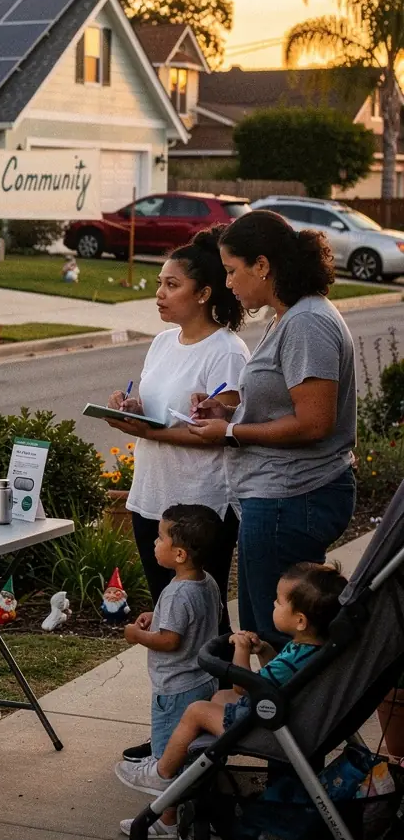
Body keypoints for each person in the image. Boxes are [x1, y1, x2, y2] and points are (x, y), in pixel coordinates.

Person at [190, 210, 357, 635]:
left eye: (232, 270)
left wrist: (230, 432)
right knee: (259, 632)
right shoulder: (288, 316)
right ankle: (264, 702)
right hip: (278, 496)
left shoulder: (308, 323)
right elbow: (284, 404)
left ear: (262, 265)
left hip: (292, 497)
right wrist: (227, 412)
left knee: (273, 634)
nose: (227, 283)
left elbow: (314, 422)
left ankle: (279, 705)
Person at [106, 228, 249, 631]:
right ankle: (175, 693)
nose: (160, 294)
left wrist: (149, 432)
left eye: (172, 285)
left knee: (203, 616)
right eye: (159, 284)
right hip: (152, 495)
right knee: (166, 611)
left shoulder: (226, 351)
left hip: (199, 506)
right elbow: (159, 411)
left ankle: (217, 692)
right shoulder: (163, 342)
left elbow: (221, 432)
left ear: (203, 293)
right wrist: (133, 407)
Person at [115, 562, 347, 797]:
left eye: (279, 602)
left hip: (267, 724)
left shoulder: (299, 655)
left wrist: (241, 649)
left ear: (300, 620)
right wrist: (265, 650)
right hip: (282, 713)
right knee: (220, 696)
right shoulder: (310, 649)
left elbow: (242, 686)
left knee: (197, 711)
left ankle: (162, 773)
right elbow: (281, 680)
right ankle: (204, 774)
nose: (273, 605)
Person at [118, 504, 222, 836]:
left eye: (160, 536)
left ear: (178, 554)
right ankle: (188, 806)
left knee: (168, 757)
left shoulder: (177, 592)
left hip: (175, 688)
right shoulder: (207, 583)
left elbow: (169, 641)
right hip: (204, 681)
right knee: (192, 752)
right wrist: (156, 615)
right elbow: (197, 622)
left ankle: (165, 819)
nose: (154, 541)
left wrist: (137, 635)